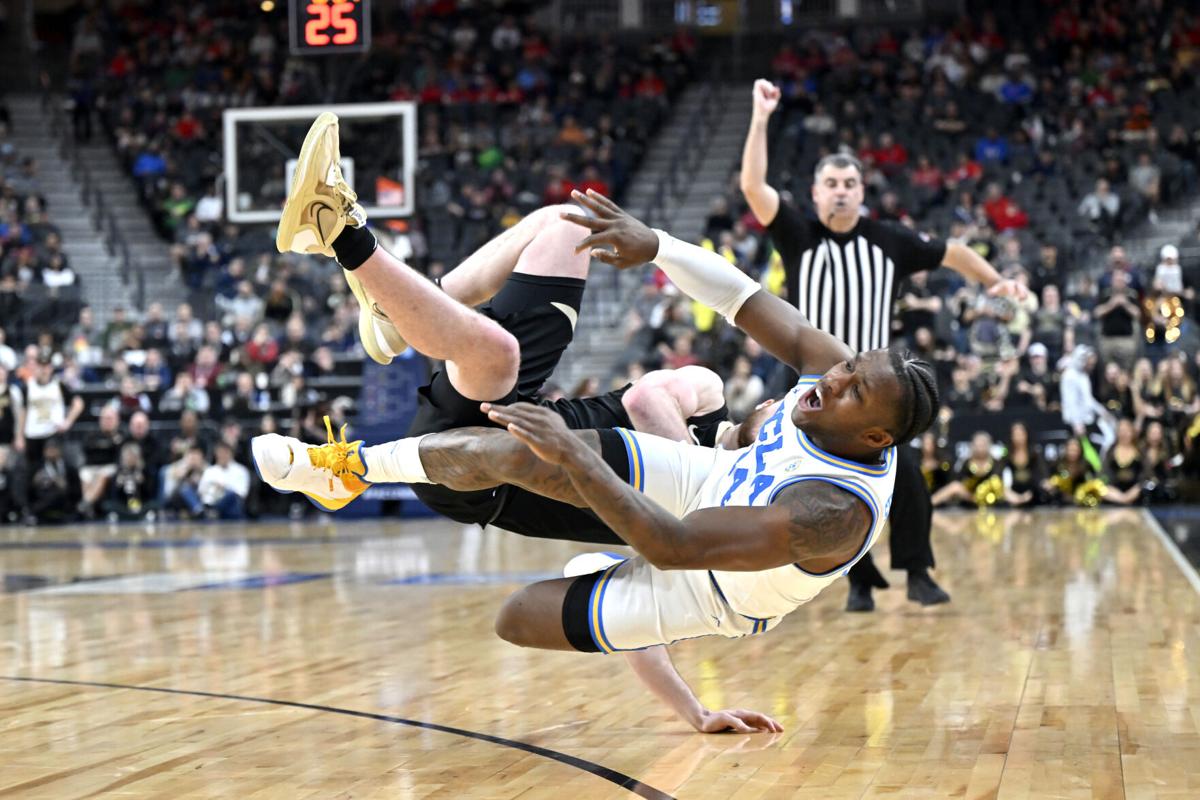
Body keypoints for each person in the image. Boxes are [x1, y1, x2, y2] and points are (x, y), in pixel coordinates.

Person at [252, 131, 939, 730]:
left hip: (702, 584)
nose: (833, 380)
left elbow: (672, 547)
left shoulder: (834, 512)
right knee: (517, 444)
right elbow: (741, 298)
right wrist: (660, 245)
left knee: (519, 616)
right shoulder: (829, 376)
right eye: (848, 367)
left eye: (854, 391)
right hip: (706, 481)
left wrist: (579, 463)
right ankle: (348, 461)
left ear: (876, 438)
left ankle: (386, 323)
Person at [738, 79, 1025, 612]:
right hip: (810, 381)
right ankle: (858, 581)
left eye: (850, 181)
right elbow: (753, 186)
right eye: (832, 182)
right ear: (816, 191)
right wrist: (760, 117)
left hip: (875, 387)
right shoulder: (798, 233)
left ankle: (917, 571)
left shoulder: (888, 240)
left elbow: (954, 252)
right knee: (825, 484)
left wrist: (992, 282)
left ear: (862, 191)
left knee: (908, 477)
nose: (842, 189)